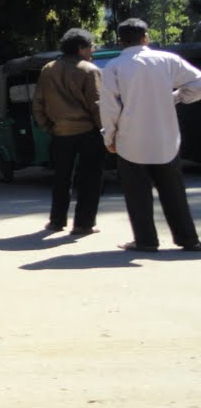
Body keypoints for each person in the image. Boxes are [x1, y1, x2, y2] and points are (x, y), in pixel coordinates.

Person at [100, 18, 201, 252]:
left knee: (137, 195)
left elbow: (109, 108)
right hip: (166, 139)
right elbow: (198, 83)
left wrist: (109, 138)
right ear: (146, 37)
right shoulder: (167, 60)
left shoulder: (113, 67)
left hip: (129, 140)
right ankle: (188, 239)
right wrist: (176, 97)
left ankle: (146, 241)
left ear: (120, 41)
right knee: (174, 191)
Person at [31, 28, 105, 235]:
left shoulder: (48, 69)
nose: (93, 51)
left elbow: (38, 103)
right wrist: (105, 131)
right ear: (81, 48)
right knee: (90, 178)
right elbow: (97, 105)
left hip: (60, 132)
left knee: (61, 178)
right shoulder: (89, 70)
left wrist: (47, 126)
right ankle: (83, 224)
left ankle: (56, 221)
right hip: (88, 132)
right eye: (91, 47)